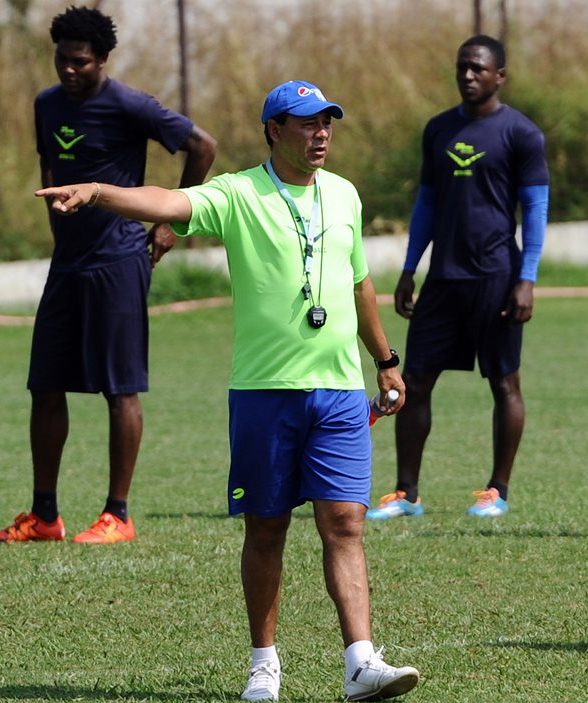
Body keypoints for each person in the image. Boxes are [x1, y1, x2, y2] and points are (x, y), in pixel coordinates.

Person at [36, 80, 419, 702]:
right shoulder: (240, 193)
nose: (321, 134)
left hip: (340, 391)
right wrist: (100, 192)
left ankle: (360, 662)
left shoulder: (345, 194)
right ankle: (264, 666)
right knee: (266, 529)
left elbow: (360, 286)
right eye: (307, 123)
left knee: (346, 523)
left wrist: (386, 360)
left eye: (327, 123)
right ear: (274, 130)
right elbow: (167, 202)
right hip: (265, 392)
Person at [0, 6, 217, 545]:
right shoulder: (47, 104)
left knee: (120, 389)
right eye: (62, 59)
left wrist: (169, 221)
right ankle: (45, 516)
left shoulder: (129, 105)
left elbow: (203, 146)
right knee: (45, 385)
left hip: (118, 260)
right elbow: (49, 162)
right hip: (67, 263)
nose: (69, 70)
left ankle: (118, 515)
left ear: (104, 59)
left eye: (81, 62)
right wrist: (56, 225)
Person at [367, 34, 549, 521]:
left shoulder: (522, 134)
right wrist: (410, 268)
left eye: (478, 68)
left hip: (497, 276)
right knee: (413, 381)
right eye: (462, 67)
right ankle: (407, 493)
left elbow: (535, 209)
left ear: (499, 76)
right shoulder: (439, 129)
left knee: (504, 382)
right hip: (444, 278)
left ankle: (497, 491)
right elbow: (426, 203)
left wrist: (527, 278)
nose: (468, 75)